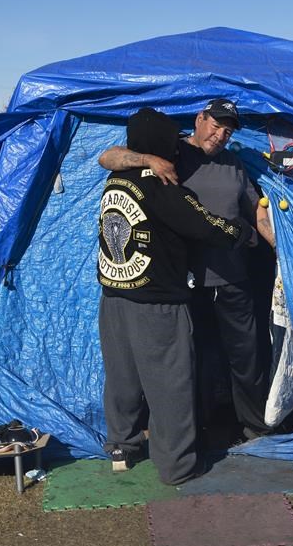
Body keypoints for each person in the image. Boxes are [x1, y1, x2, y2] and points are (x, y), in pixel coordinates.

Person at [99, 99, 275, 441]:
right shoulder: (171, 152)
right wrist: (149, 159)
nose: (220, 135)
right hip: (185, 282)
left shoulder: (234, 165)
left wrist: (276, 247)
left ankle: (254, 427)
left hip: (232, 278)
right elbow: (107, 157)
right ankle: (196, 431)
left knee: (246, 356)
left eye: (228, 131)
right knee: (188, 362)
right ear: (199, 119)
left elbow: (257, 212)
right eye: (215, 125)